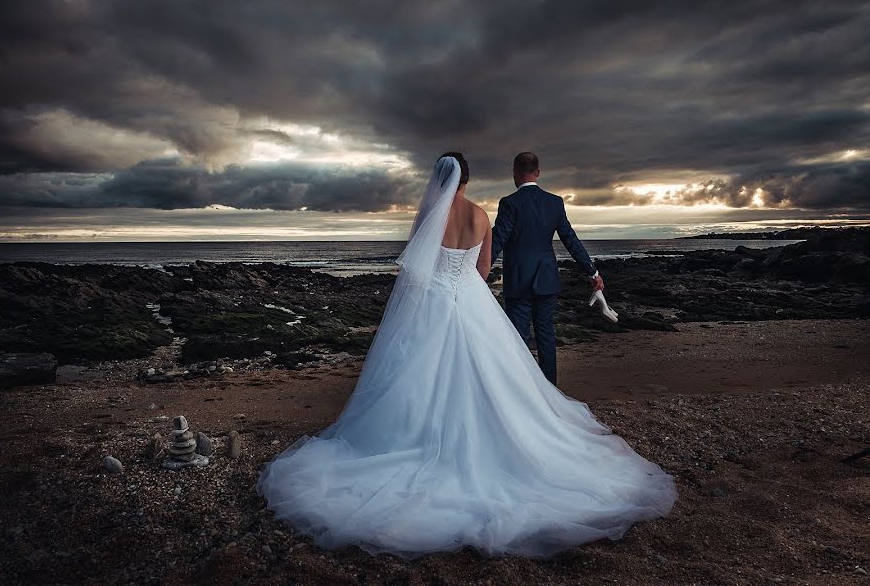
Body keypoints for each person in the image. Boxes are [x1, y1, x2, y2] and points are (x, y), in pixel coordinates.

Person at [255, 154, 677, 559]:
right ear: (467, 181)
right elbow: (482, 269)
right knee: (504, 367)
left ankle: (412, 438)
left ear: (440, 180)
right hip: (472, 298)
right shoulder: (481, 214)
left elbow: (417, 270)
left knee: (416, 374)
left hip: (434, 301)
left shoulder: (428, 216)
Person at [491, 151, 603, 385]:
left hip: (518, 282)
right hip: (546, 280)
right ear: (538, 173)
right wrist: (592, 272)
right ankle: (550, 392)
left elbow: (497, 241)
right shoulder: (554, 203)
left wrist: (478, 272)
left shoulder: (509, 203)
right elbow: (570, 240)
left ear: (514, 172)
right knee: (546, 338)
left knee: (518, 340)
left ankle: (522, 392)